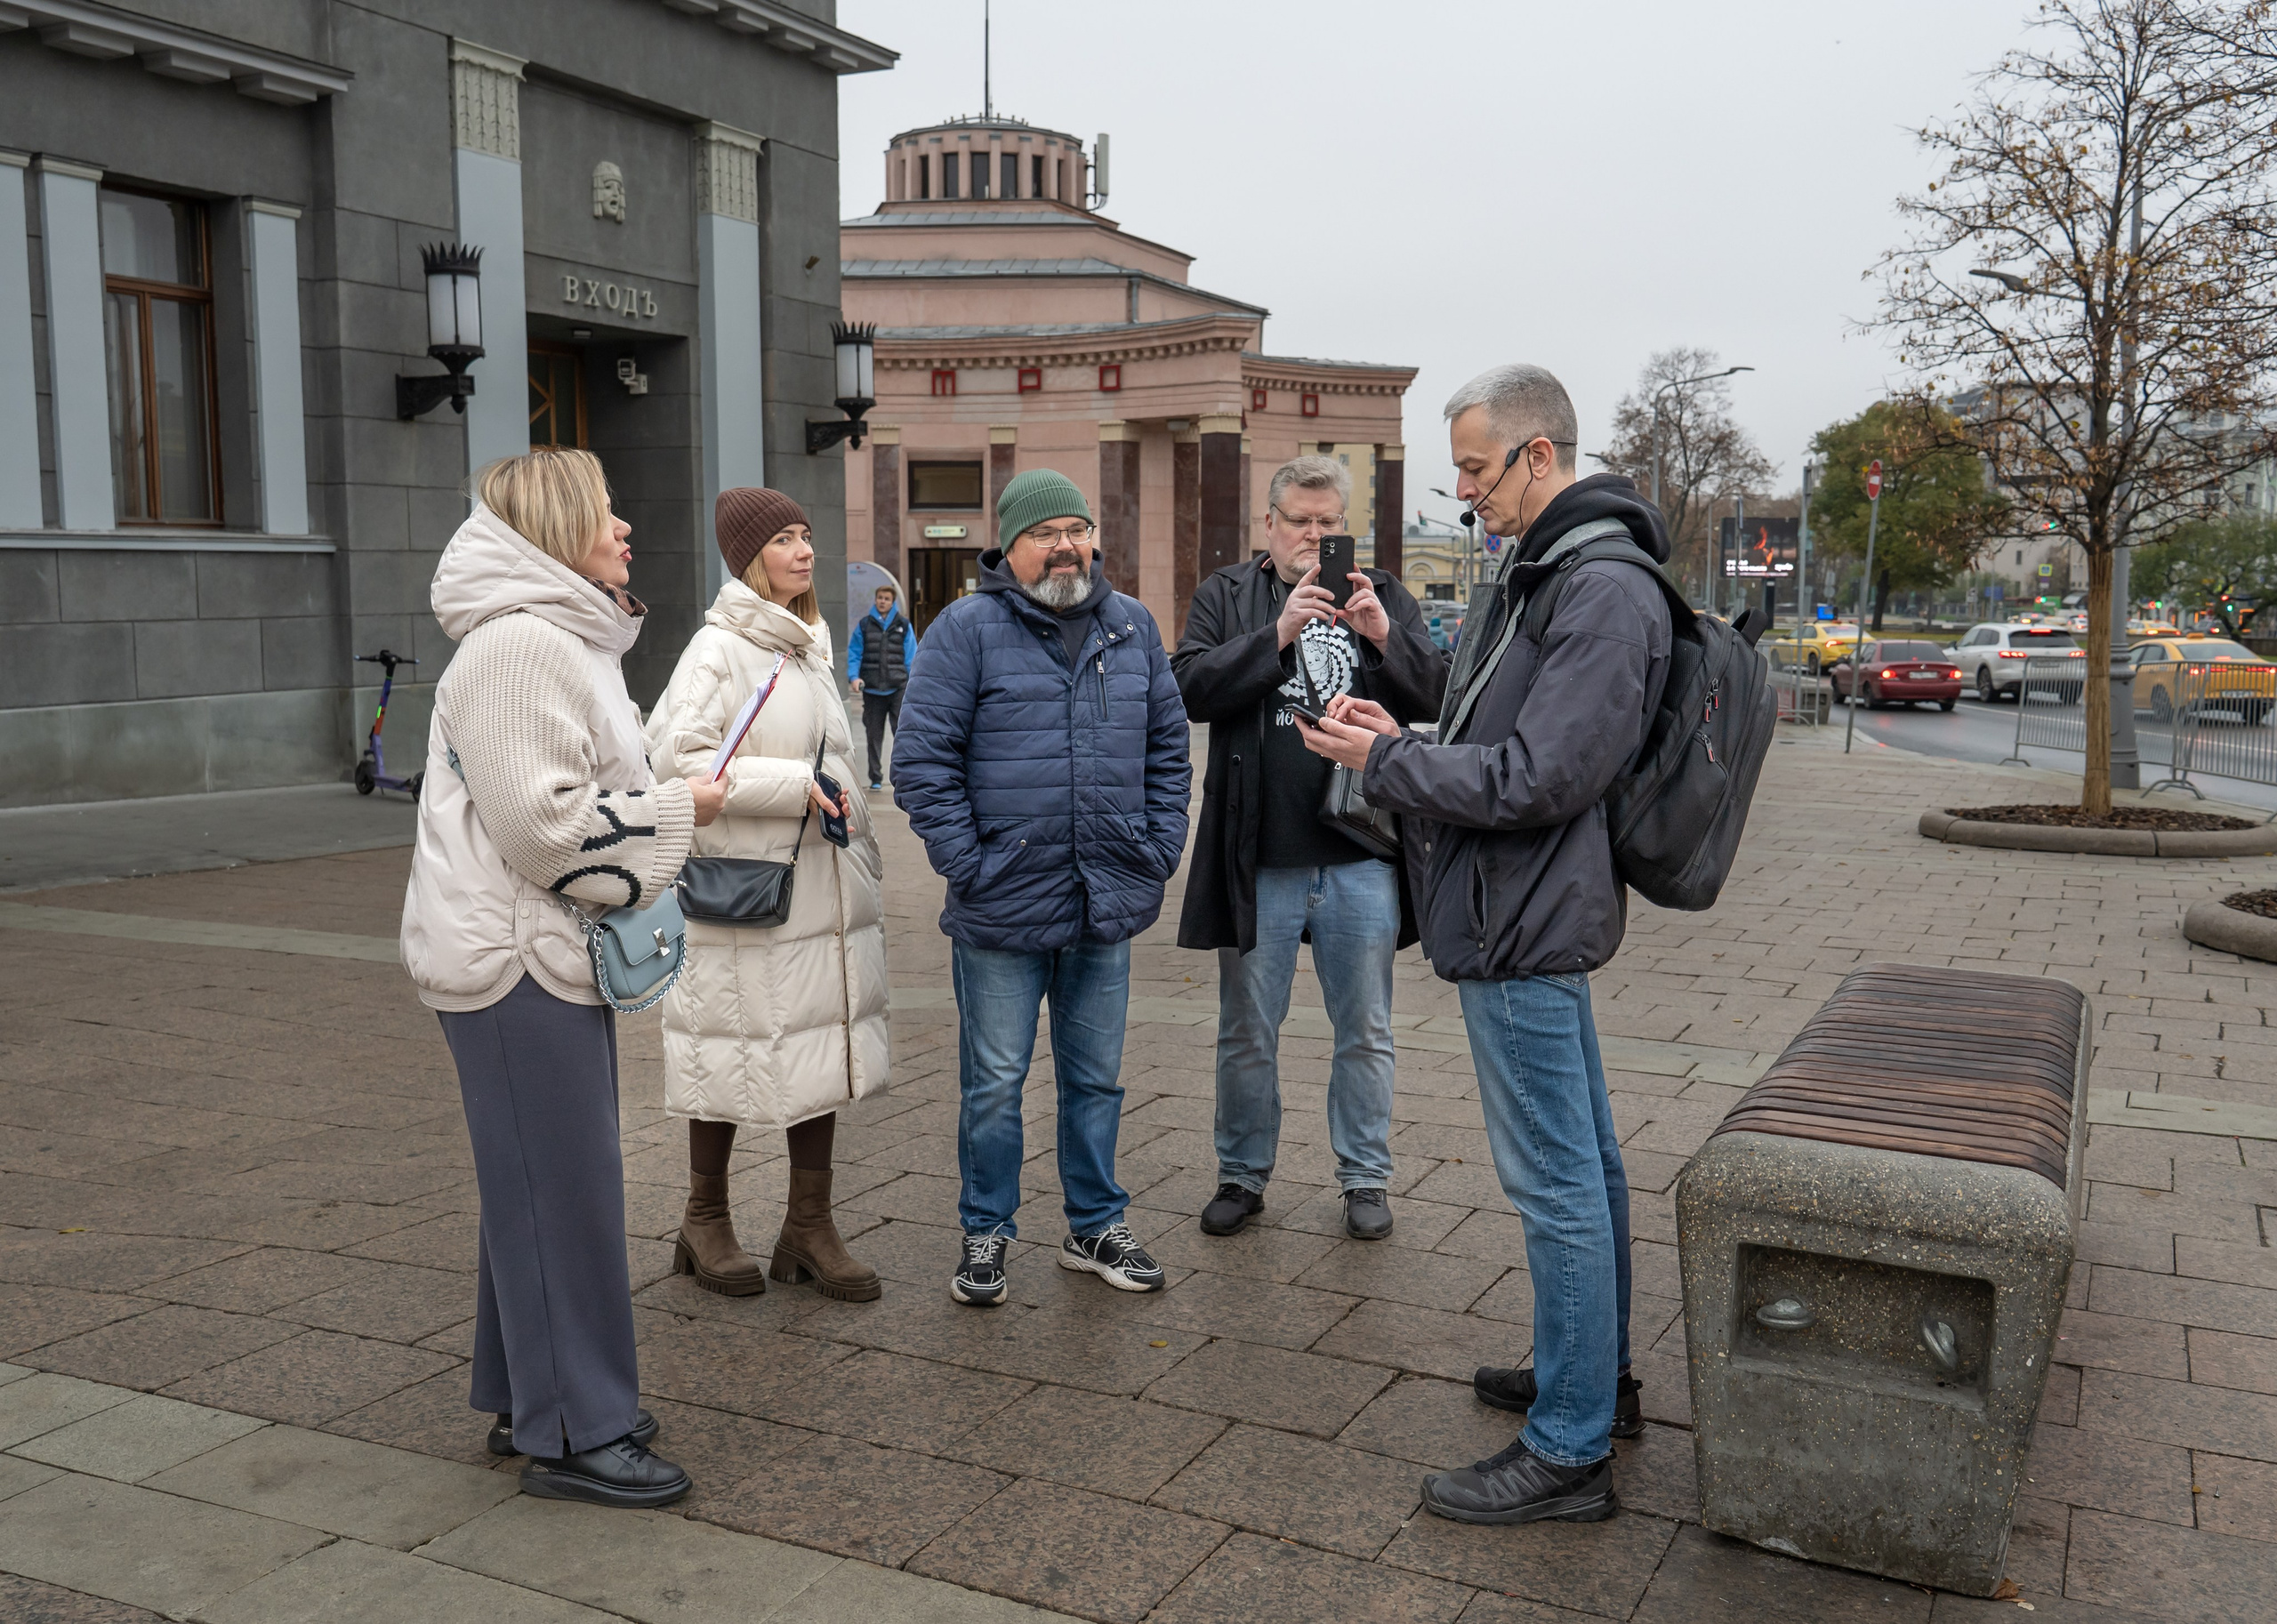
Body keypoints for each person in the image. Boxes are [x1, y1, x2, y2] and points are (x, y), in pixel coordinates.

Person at [1298, 364, 1670, 1525]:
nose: (1464, 491)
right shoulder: (1552, 567)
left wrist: (1382, 763)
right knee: (1586, 1164)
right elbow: (1498, 728)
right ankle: (1589, 1383)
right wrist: (1401, 727)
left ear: (1542, 456)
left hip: (1522, 911)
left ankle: (1567, 1449)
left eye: (1476, 466)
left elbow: (1541, 776)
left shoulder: (1598, 586)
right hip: (1519, 902)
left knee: (1556, 1179)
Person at [400, 446, 725, 1508]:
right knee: (563, 1189)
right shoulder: (522, 647)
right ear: (554, 529)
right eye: (605, 510)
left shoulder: (547, 638)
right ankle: (578, 1431)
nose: (626, 526)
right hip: (515, 955)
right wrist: (684, 810)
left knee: (541, 1185)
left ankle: (529, 1397)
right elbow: (545, 829)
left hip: (525, 950)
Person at [893, 468, 1191, 1306]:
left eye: (1077, 528)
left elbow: (1169, 752)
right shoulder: (966, 629)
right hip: (1002, 903)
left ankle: (1094, 1224)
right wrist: (971, 861)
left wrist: (1156, 847)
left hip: (1106, 898)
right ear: (1009, 547)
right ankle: (986, 1231)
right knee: (994, 1083)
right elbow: (919, 762)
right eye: (1044, 532)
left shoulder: (1131, 626)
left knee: (1096, 1078)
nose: (1065, 545)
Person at [1172, 455, 1447, 1242]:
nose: (1315, 536)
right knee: (1247, 1029)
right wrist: (1280, 631)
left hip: (1361, 850)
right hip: (1258, 853)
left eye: (1330, 523)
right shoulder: (1228, 595)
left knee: (1365, 1027)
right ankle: (1242, 1174)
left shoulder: (1382, 593)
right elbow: (1189, 688)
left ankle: (1365, 1178)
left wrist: (1385, 636)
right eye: (1301, 521)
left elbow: (1439, 697)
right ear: (1270, 525)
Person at [647, 487, 890, 1304]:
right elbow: (678, 763)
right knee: (726, 1043)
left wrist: (849, 804)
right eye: (785, 538)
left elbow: (834, 758)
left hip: (818, 885)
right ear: (749, 555)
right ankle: (703, 1217)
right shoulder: (717, 649)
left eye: (808, 535)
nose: (805, 550)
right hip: (742, 889)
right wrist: (797, 784)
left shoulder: (810, 644)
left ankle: (807, 1227)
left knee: (815, 1049)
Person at [847, 583, 918, 791]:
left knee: (902, 734)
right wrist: (854, 677)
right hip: (872, 690)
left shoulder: (903, 625)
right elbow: (854, 653)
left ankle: (904, 776)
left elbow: (911, 655)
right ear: (875, 600)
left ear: (893, 602)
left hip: (898, 688)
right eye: (880, 598)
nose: (883, 602)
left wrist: (912, 679)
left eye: (887, 599)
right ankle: (876, 777)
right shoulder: (864, 625)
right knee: (873, 736)